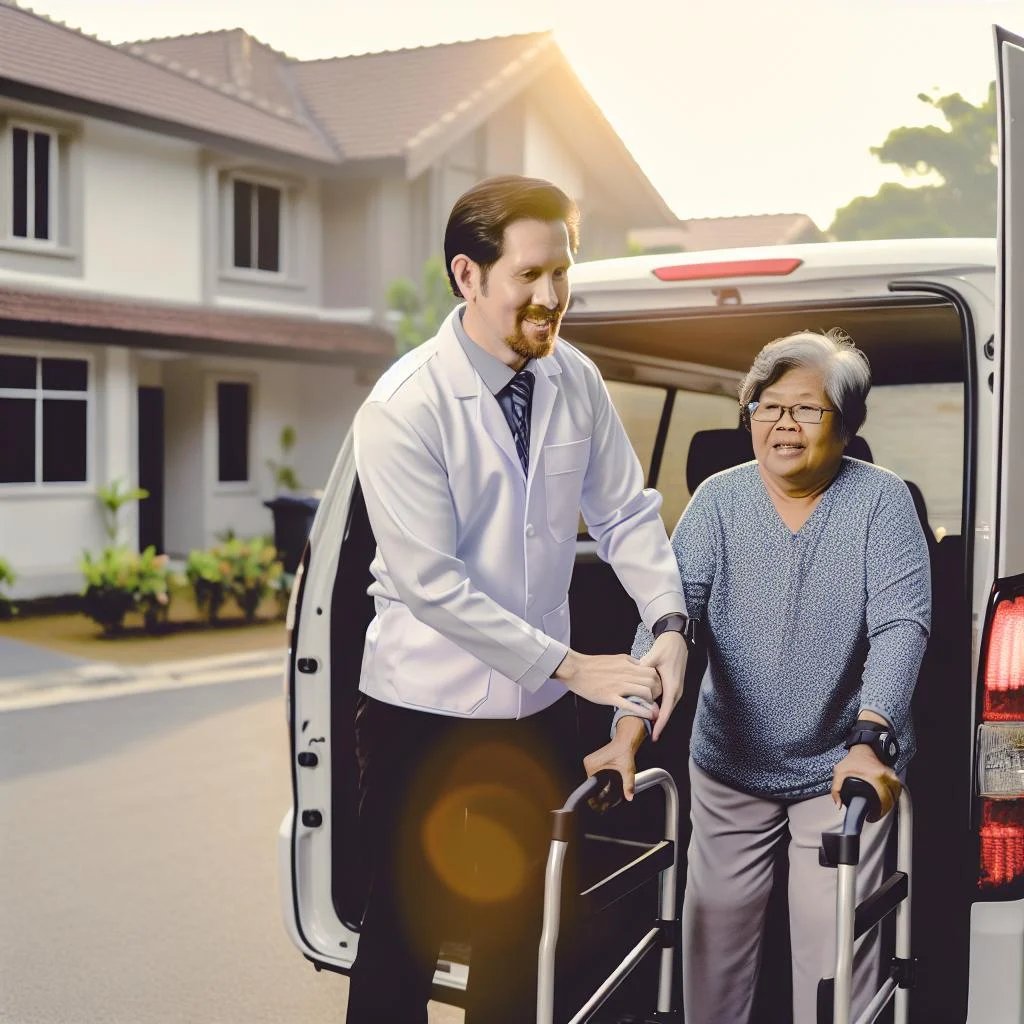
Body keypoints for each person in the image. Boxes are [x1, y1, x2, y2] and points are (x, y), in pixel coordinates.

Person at [346, 175, 691, 1024]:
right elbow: (431, 585)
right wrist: (578, 668)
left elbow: (625, 514)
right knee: (402, 938)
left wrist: (670, 622)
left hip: (533, 713)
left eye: (562, 275)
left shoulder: (574, 378)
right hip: (420, 713)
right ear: (468, 276)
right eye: (530, 276)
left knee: (524, 933)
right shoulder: (404, 406)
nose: (552, 297)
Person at [584, 329, 931, 1024]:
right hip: (729, 765)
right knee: (712, 944)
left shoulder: (881, 502)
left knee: (835, 954)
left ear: (846, 422)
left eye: (806, 409)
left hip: (842, 767)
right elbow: (666, 622)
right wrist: (627, 729)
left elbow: (902, 626)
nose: (782, 425)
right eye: (766, 407)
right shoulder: (719, 501)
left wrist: (871, 738)